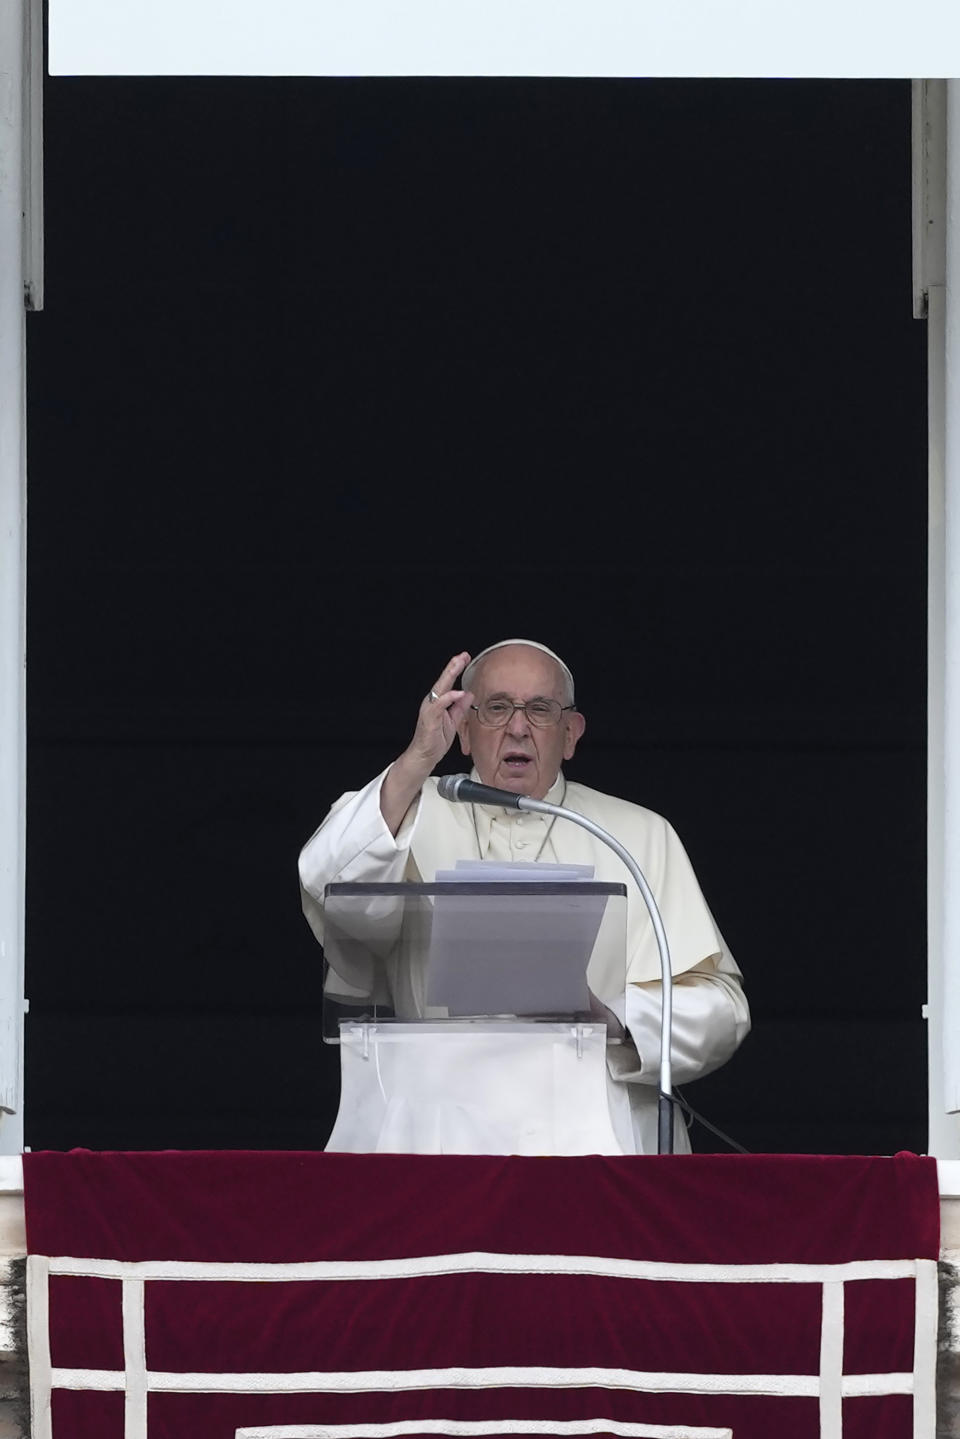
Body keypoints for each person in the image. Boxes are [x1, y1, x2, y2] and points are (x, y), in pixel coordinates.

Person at [299, 639, 750, 1153]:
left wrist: (617, 1018)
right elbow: (328, 884)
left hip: (587, 1137)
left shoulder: (637, 834)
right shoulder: (402, 807)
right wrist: (418, 759)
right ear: (463, 730)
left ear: (570, 734)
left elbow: (722, 1007)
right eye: (496, 708)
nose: (518, 727)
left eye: (540, 709)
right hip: (436, 1133)